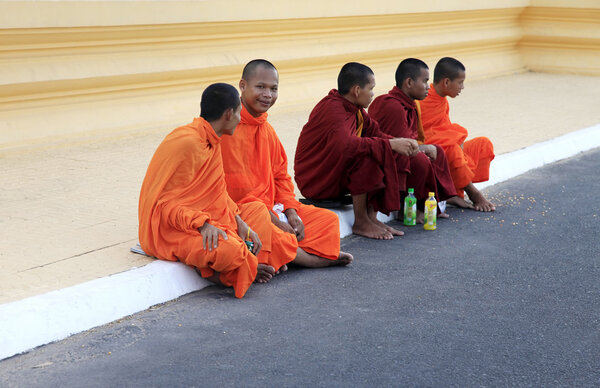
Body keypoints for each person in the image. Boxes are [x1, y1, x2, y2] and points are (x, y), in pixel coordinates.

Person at [138, 83, 288, 299]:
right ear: (229, 114)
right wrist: (203, 224)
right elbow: (164, 205)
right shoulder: (187, 142)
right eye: (238, 112)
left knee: (249, 235)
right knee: (232, 250)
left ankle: (236, 268)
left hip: (199, 221)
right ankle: (225, 273)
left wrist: (240, 223)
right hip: (167, 228)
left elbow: (217, 193)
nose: (240, 118)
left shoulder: (212, 141)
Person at [220, 59, 353, 267]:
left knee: (326, 221)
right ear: (243, 86)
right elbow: (227, 193)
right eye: (260, 87)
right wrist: (275, 221)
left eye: (273, 89)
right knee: (260, 222)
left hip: (273, 208)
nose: (268, 95)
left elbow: (281, 177)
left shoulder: (268, 131)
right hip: (243, 213)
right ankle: (306, 258)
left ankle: (286, 252)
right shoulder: (226, 128)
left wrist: (290, 213)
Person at [295, 62, 420, 240]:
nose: (372, 94)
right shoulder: (333, 109)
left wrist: (400, 143)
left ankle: (371, 217)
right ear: (356, 90)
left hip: (333, 171)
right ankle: (361, 221)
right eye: (371, 88)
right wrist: (391, 144)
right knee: (367, 155)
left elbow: (376, 133)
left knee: (381, 149)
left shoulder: (356, 110)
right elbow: (346, 146)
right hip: (315, 179)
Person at [369, 58, 457, 222]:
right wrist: (423, 149)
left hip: (400, 151)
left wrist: (425, 148)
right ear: (409, 82)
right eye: (424, 81)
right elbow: (400, 147)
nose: (427, 87)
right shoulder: (393, 106)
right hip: (385, 156)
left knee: (437, 150)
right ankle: (406, 207)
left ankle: (441, 200)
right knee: (420, 159)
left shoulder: (409, 104)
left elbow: (411, 140)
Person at [419, 57, 496, 212]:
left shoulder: (442, 100)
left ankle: (452, 191)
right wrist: (455, 138)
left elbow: (443, 128)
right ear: (447, 82)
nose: (462, 87)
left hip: (445, 149)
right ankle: (473, 193)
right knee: (453, 149)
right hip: (430, 152)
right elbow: (424, 135)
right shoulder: (422, 99)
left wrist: (455, 137)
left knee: (483, 144)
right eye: (460, 82)